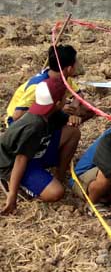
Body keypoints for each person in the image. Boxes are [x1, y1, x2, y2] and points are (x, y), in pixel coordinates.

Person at [5, 45, 85, 182]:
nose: (78, 64)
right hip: (24, 126)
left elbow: (78, 95)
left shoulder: (64, 78)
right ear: (69, 68)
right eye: (76, 61)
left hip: (47, 116)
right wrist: (56, 110)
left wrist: (72, 107)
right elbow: (17, 116)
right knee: (54, 193)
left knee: (77, 125)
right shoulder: (38, 85)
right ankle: (23, 170)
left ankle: (58, 172)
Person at [1, 78, 70, 214]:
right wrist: (12, 196)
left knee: (72, 133)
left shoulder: (49, 112)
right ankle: (12, 183)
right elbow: (20, 160)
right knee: (56, 193)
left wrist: (78, 115)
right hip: (11, 163)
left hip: (34, 153)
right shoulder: (34, 126)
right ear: (57, 103)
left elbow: (74, 117)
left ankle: (58, 176)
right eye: (64, 99)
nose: (66, 102)